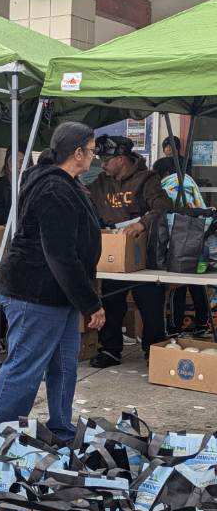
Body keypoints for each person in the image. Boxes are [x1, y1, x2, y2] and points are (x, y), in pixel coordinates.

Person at [0, 122, 105, 443]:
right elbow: (59, 255)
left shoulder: (68, 184)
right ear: (77, 153)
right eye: (92, 151)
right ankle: (1, 439)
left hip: (58, 295)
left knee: (65, 365)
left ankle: (61, 430)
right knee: (25, 368)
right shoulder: (54, 188)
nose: (94, 157)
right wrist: (90, 302)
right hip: (34, 294)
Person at [87, 135, 173, 367]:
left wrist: (141, 224)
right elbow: (86, 199)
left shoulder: (148, 179)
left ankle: (154, 350)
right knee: (111, 302)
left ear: (122, 159)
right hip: (113, 252)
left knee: (150, 304)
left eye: (106, 159)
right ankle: (111, 350)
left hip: (143, 254)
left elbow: (164, 207)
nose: (102, 164)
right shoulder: (100, 182)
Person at [0, 149, 34, 357]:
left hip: (28, 245)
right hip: (3, 244)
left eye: (23, 160)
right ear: (8, 163)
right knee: (0, 291)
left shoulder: (33, 183)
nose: (19, 164)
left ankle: (22, 336)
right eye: (15, 161)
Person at [152, 138, 210, 335]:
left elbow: (165, 216)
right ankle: (202, 323)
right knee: (197, 283)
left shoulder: (168, 185)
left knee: (177, 284)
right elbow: (201, 206)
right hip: (200, 235)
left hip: (180, 240)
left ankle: (175, 326)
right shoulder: (188, 180)